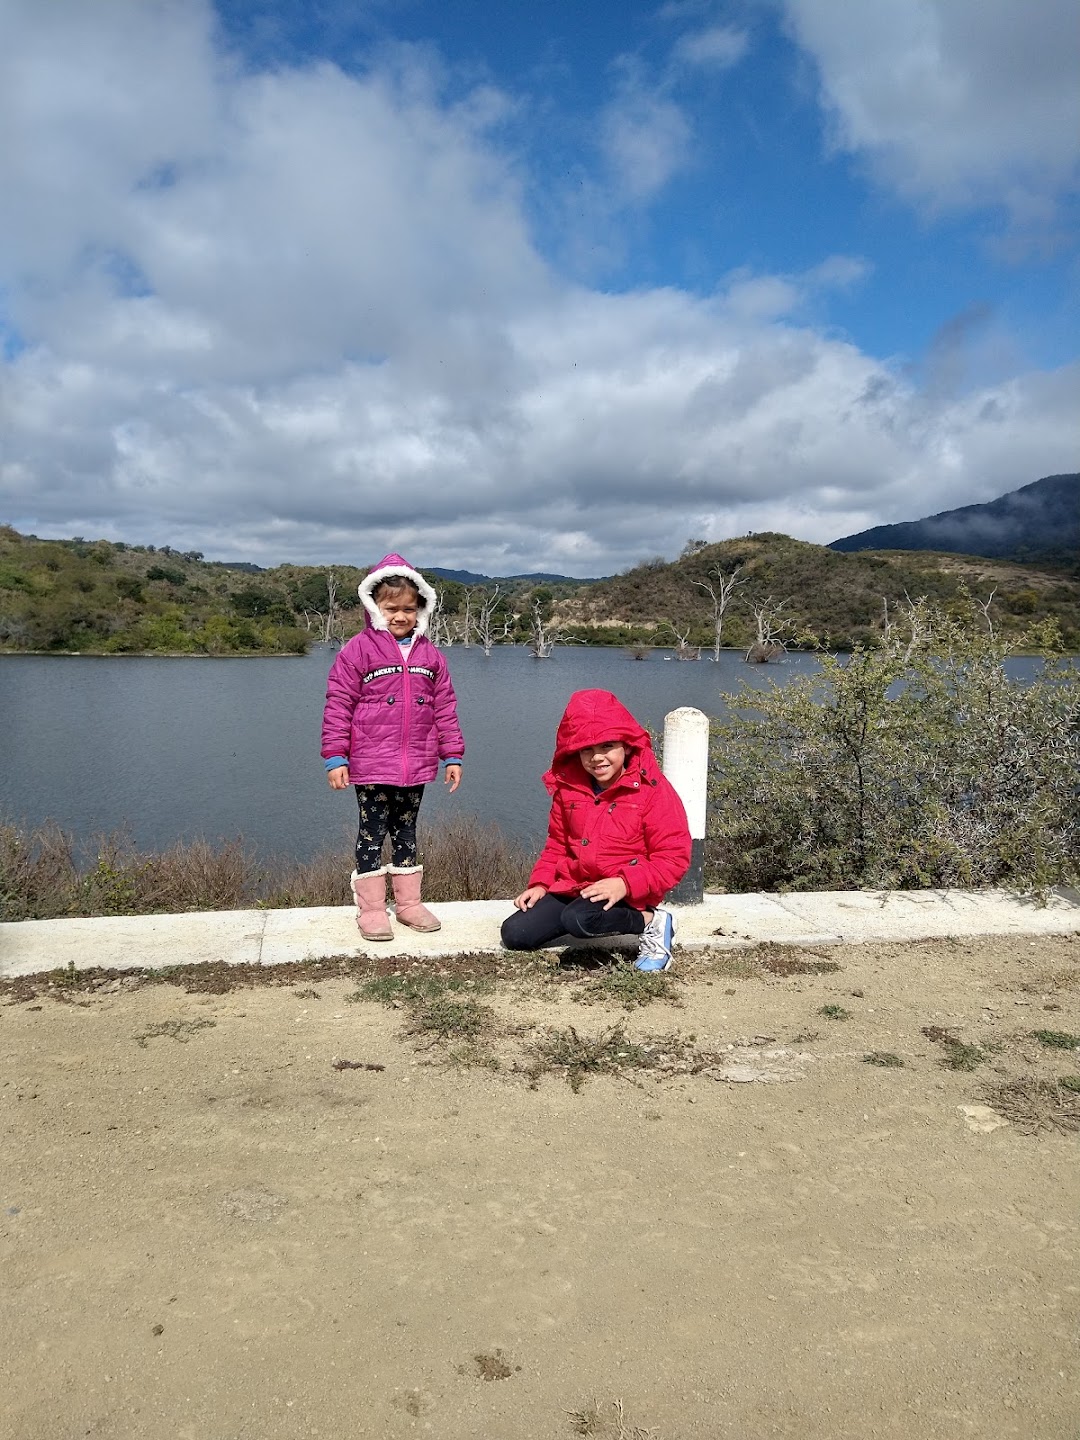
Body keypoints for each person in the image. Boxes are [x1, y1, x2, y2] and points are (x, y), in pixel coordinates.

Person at [321, 553, 464, 941]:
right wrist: (336, 757)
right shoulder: (358, 650)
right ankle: (371, 910)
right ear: (373, 607)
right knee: (371, 833)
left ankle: (408, 905)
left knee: (406, 832)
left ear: (421, 609)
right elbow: (338, 705)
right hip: (369, 765)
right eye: (391, 608)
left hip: (415, 765)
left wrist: (452, 755)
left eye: (408, 609)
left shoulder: (431, 655)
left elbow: (445, 709)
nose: (400, 616)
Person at [501, 689, 691, 972]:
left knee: (579, 921)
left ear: (626, 746)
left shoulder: (653, 790)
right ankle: (579, 913)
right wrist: (540, 884)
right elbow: (557, 844)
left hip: (626, 892)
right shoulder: (568, 788)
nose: (596, 758)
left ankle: (651, 921)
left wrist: (624, 884)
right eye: (586, 749)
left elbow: (673, 857)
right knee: (516, 934)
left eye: (607, 746)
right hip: (574, 886)